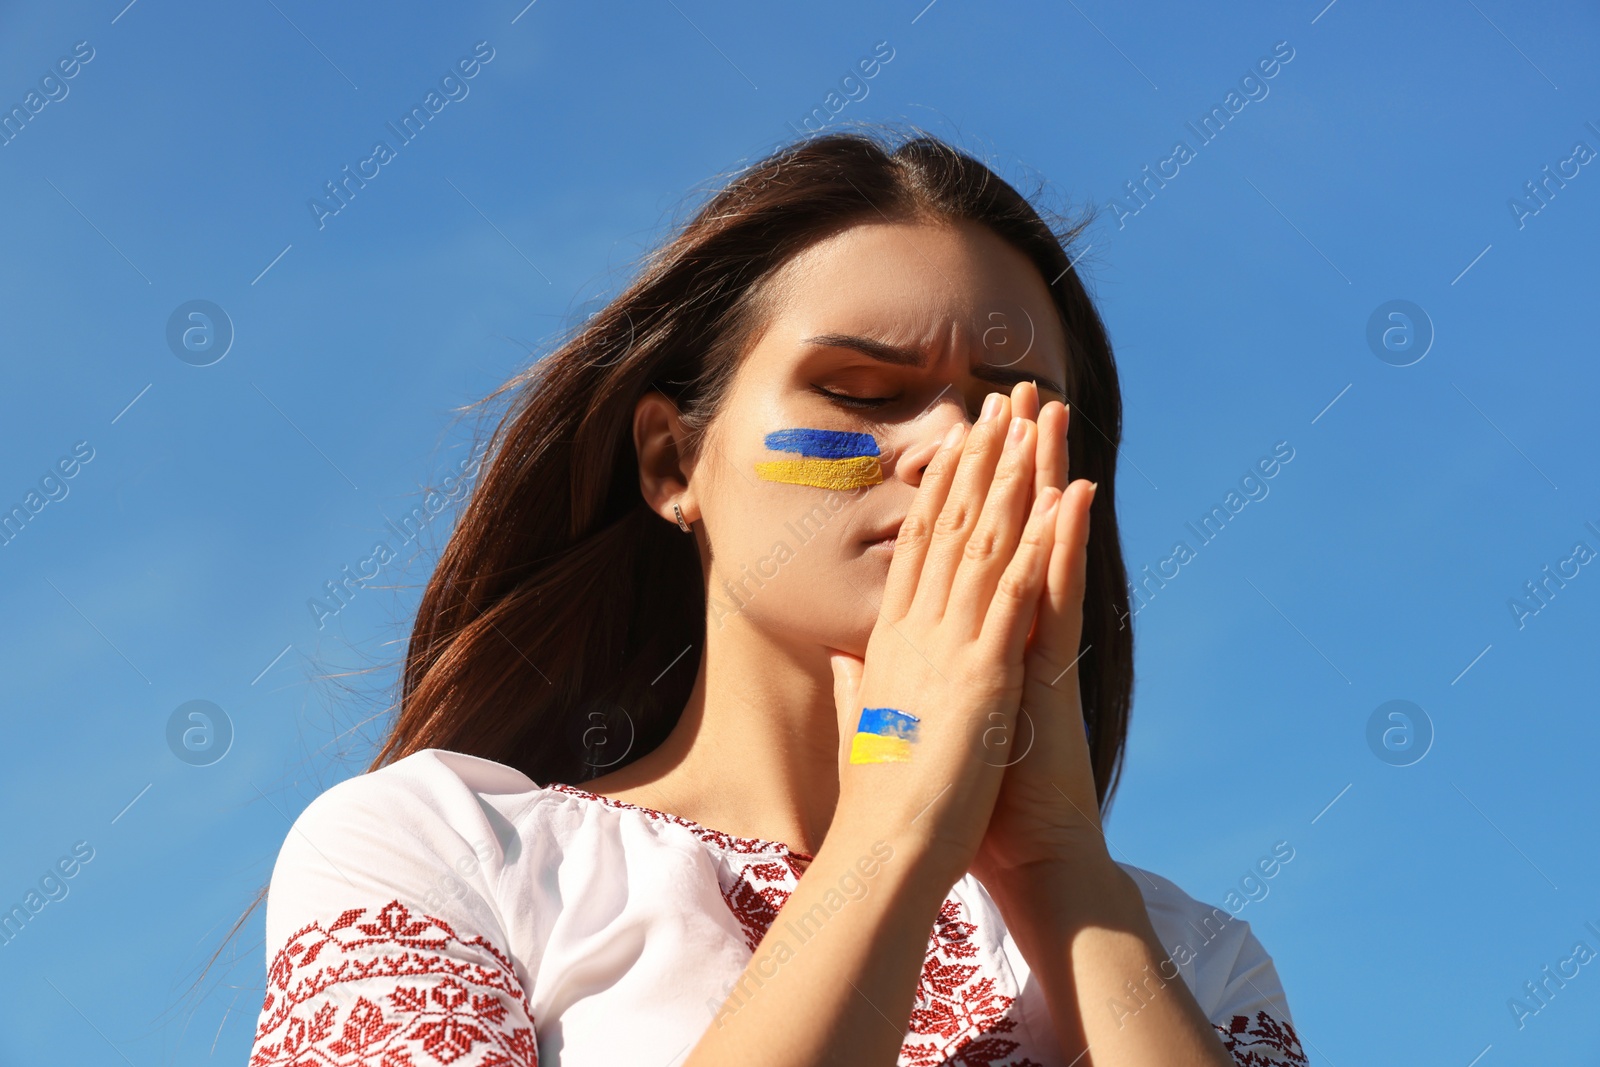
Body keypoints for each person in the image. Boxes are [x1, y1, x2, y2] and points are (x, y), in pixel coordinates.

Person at [247, 126, 1309, 1067]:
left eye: (1009, 417)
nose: (946, 446)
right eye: (858, 393)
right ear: (672, 462)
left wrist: (1058, 866)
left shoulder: (1190, 956)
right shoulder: (450, 848)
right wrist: (889, 836)